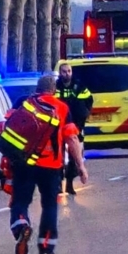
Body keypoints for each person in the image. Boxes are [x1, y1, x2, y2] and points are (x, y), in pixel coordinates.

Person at [8, 74, 89, 254]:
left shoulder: (23, 103)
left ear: (37, 88)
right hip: (51, 164)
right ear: (54, 89)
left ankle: (21, 225)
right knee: (49, 205)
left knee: (20, 200)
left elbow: (9, 128)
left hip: (24, 162)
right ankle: (46, 248)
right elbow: (71, 138)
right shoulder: (61, 108)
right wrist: (80, 166)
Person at [55, 62, 93, 196]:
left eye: (69, 71)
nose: (67, 74)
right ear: (60, 73)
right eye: (64, 71)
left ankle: (70, 184)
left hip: (75, 126)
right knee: (57, 156)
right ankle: (58, 184)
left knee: (74, 156)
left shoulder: (79, 86)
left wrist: (84, 114)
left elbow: (89, 100)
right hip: (57, 127)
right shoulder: (55, 87)